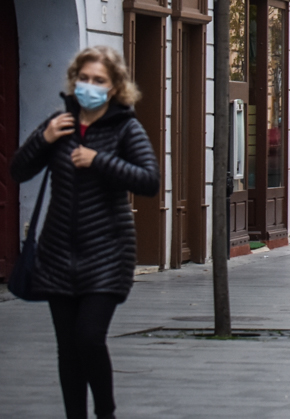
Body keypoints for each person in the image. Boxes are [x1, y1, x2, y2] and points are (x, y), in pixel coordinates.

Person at [11, 46, 159, 419]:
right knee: (67, 346)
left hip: (108, 253)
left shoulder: (126, 127)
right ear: (74, 81)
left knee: (89, 337)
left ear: (113, 89)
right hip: (57, 253)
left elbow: (149, 181)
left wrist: (100, 161)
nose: (89, 86)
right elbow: (17, 171)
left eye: (98, 81)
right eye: (84, 79)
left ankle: (105, 412)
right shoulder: (59, 124)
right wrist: (43, 138)